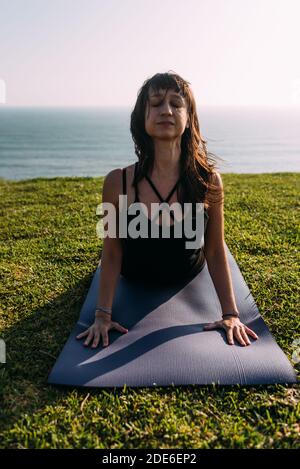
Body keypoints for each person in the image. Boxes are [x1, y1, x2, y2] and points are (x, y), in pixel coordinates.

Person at [76, 71, 259, 349]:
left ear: (188, 119)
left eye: (176, 103)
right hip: (134, 276)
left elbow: (214, 249)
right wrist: (102, 314)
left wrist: (230, 314)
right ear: (143, 116)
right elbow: (111, 251)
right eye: (156, 103)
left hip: (187, 273)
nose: (166, 110)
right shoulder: (117, 182)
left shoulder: (208, 182)